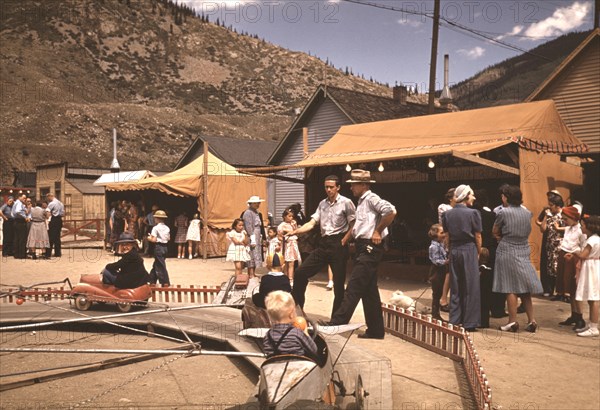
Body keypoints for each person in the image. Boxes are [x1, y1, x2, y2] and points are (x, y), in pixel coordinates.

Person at [327, 169, 396, 340]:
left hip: (370, 246)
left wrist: (378, 231)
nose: (351, 188)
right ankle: (375, 330)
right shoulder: (362, 202)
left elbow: (391, 211)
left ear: (363, 185)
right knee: (369, 291)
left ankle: (337, 322)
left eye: (354, 185)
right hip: (363, 246)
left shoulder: (371, 199)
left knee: (354, 286)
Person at [291, 175, 356, 318]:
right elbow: (312, 223)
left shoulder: (346, 203)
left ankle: (337, 319)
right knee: (300, 273)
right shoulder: (322, 204)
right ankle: (297, 311)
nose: (328, 190)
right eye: (326, 187)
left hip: (338, 243)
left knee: (338, 285)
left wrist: (344, 241)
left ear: (338, 187)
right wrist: (295, 231)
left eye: (331, 187)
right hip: (324, 243)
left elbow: (354, 225)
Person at [492, 185, 543, 333]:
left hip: (507, 248)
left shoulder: (503, 213)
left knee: (510, 286)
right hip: (523, 248)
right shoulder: (527, 213)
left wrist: (500, 238)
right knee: (525, 287)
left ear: (506, 197)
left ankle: (512, 321)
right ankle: (531, 319)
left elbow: (495, 231)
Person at [442, 184, 482, 331]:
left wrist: (449, 251)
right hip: (468, 249)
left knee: (456, 284)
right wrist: (478, 252)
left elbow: (447, 236)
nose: (474, 197)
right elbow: (477, 235)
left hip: (454, 249)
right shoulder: (473, 213)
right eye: (472, 195)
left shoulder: (447, 214)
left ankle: (454, 319)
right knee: (471, 286)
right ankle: (470, 322)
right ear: (466, 197)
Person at [556, 206, 586, 330]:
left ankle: (580, 317)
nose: (564, 221)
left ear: (574, 218)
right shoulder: (568, 228)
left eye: (566, 218)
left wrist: (574, 254)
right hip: (564, 256)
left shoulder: (580, 231)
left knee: (575, 288)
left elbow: (584, 248)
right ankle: (574, 314)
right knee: (568, 288)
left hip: (574, 259)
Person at [263, 290, 318, 358]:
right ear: (291, 314)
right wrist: (305, 332)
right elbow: (314, 350)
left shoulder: (268, 335)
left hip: (274, 367)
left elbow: (267, 352)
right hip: (297, 366)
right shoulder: (297, 333)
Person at [573, 215, 600, 337]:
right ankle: (591, 323)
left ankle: (594, 327)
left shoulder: (591, 240)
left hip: (591, 267)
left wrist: (574, 251)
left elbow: (583, 255)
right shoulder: (596, 239)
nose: (581, 227)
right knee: (592, 297)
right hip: (594, 265)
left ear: (589, 227)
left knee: (594, 298)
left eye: (583, 225)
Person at [536, 191, 564, 298]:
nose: (550, 207)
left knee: (558, 268)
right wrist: (545, 218)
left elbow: (572, 227)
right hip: (550, 245)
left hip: (560, 245)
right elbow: (542, 229)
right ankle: (550, 289)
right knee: (550, 268)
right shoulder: (548, 213)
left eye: (552, 205)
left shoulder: (563, 214)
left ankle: (560, 291)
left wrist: (558, 228)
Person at [437, 188, 455, 312]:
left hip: (455, 241)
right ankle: (443, 298)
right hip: (447, 241)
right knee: (448, 271)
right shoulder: (443, 207)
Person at [428, 224, 448, 321]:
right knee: (436, 292)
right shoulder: (434, 246)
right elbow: (435, 260)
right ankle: (435, 314)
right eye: (441, 233)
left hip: (442, 270)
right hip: (437, 271)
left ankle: (437, 312)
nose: (444, 235)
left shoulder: (442, 244)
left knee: (440, 292)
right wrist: (446, 261)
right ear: (435, 234)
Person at [242, 196, 266, 277]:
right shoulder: (248, 213)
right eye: (255, 203)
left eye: (258, 203)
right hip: (252, 235)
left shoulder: (256, 212)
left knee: (256, 253)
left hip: (257, 235)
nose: (257, 204)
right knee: (251, 254)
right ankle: (250, 273)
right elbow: (248, 226)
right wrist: (252, 237)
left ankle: (253, 272)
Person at [278, 208, 301, 285]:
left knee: (292, 262)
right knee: (285, 262)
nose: (291, 218)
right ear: (285, 216)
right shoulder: (282, 225)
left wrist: (295, 226)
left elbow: (296, 232)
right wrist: (284, 239)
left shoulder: (293, 224)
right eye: (289, 216)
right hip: (286, 245)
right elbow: (279, 236)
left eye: (292, 216)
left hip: (293, 244)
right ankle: (284, 277)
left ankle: (291, 278)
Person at [147, 210, 170, 286]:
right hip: (165, 247)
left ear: (157, 219)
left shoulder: (155, 228)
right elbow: (168, 238)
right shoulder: (167, 228)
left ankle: (165, 281)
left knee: (161, 265)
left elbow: (153, 240)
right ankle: (151, 280)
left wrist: (149, 238)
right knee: (157, 264)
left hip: (158, 247)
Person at [44, 193, 64, 258]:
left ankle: (48, 253)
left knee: (51, 237)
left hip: (54, 219)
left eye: (48, 198)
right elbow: (63, 213)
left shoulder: (52, 203)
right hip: (59, 220)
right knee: (57, 237)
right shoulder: (60, 203)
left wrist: (47, 217)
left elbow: (47, 211)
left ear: (50, 196)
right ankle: (58, 253)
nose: (47, 200)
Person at [11, 193, 29, 259]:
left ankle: (17, 254)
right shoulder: (19, 203)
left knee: (17, 238)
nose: (25, 199)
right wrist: (25, 217)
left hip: (16, 221)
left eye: (25, 198)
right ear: (19, 197)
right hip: (20, 222)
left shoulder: (17, 203)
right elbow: (18, 211)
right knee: (22, 238)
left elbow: (13, 213)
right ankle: (21, 254)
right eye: (24, 198)